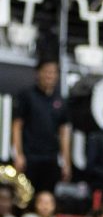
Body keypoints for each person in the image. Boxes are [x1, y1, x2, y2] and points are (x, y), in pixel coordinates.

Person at [11, 58, 71, 192]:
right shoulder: (26, 96)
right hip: (29, 156)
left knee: (47, 196)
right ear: (38, 73)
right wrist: (18, 154)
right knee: (25, 196)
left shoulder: (60, 100)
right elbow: (17, 126)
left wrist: (66, 162)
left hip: (51, 158)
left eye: (53, 72)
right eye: (46, 71)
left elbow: (64, 132)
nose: (49, 75)